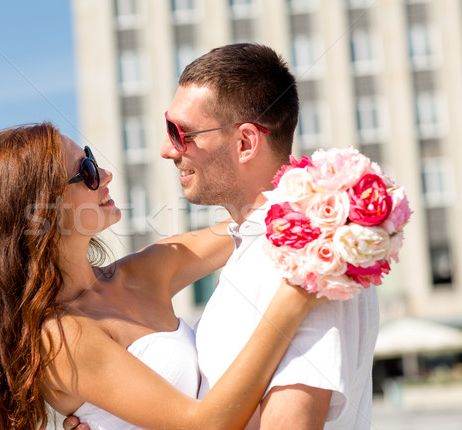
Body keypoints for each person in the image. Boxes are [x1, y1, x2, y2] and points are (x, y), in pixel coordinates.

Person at [0, 122, 325, 430]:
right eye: (86, 170)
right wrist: (293, 301)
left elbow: (258, 225)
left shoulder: (144, 270)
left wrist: (343, 193)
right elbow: (205, 424)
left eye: (91, 157)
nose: (104, 172)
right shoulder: (61, 338)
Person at [159, 43, 380, 429]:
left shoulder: (313, 254)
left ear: (245, 142)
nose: (167, 150)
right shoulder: (256, 246)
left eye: (181, 133)